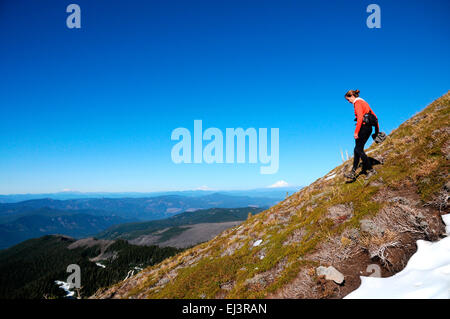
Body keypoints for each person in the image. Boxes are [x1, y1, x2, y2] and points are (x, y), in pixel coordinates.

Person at [344, 89, 378, 180]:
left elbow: (359, 118)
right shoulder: (365, 102)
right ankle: (353, 172)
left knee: (359, 149)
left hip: (363, 128)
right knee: (357, 150)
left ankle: (371, 170)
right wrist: (376, 131)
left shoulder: (357, 103)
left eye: (348, 99)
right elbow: (375, 117)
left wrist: (356, 132)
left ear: (352, 96)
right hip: (369, 128)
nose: (349, 102)